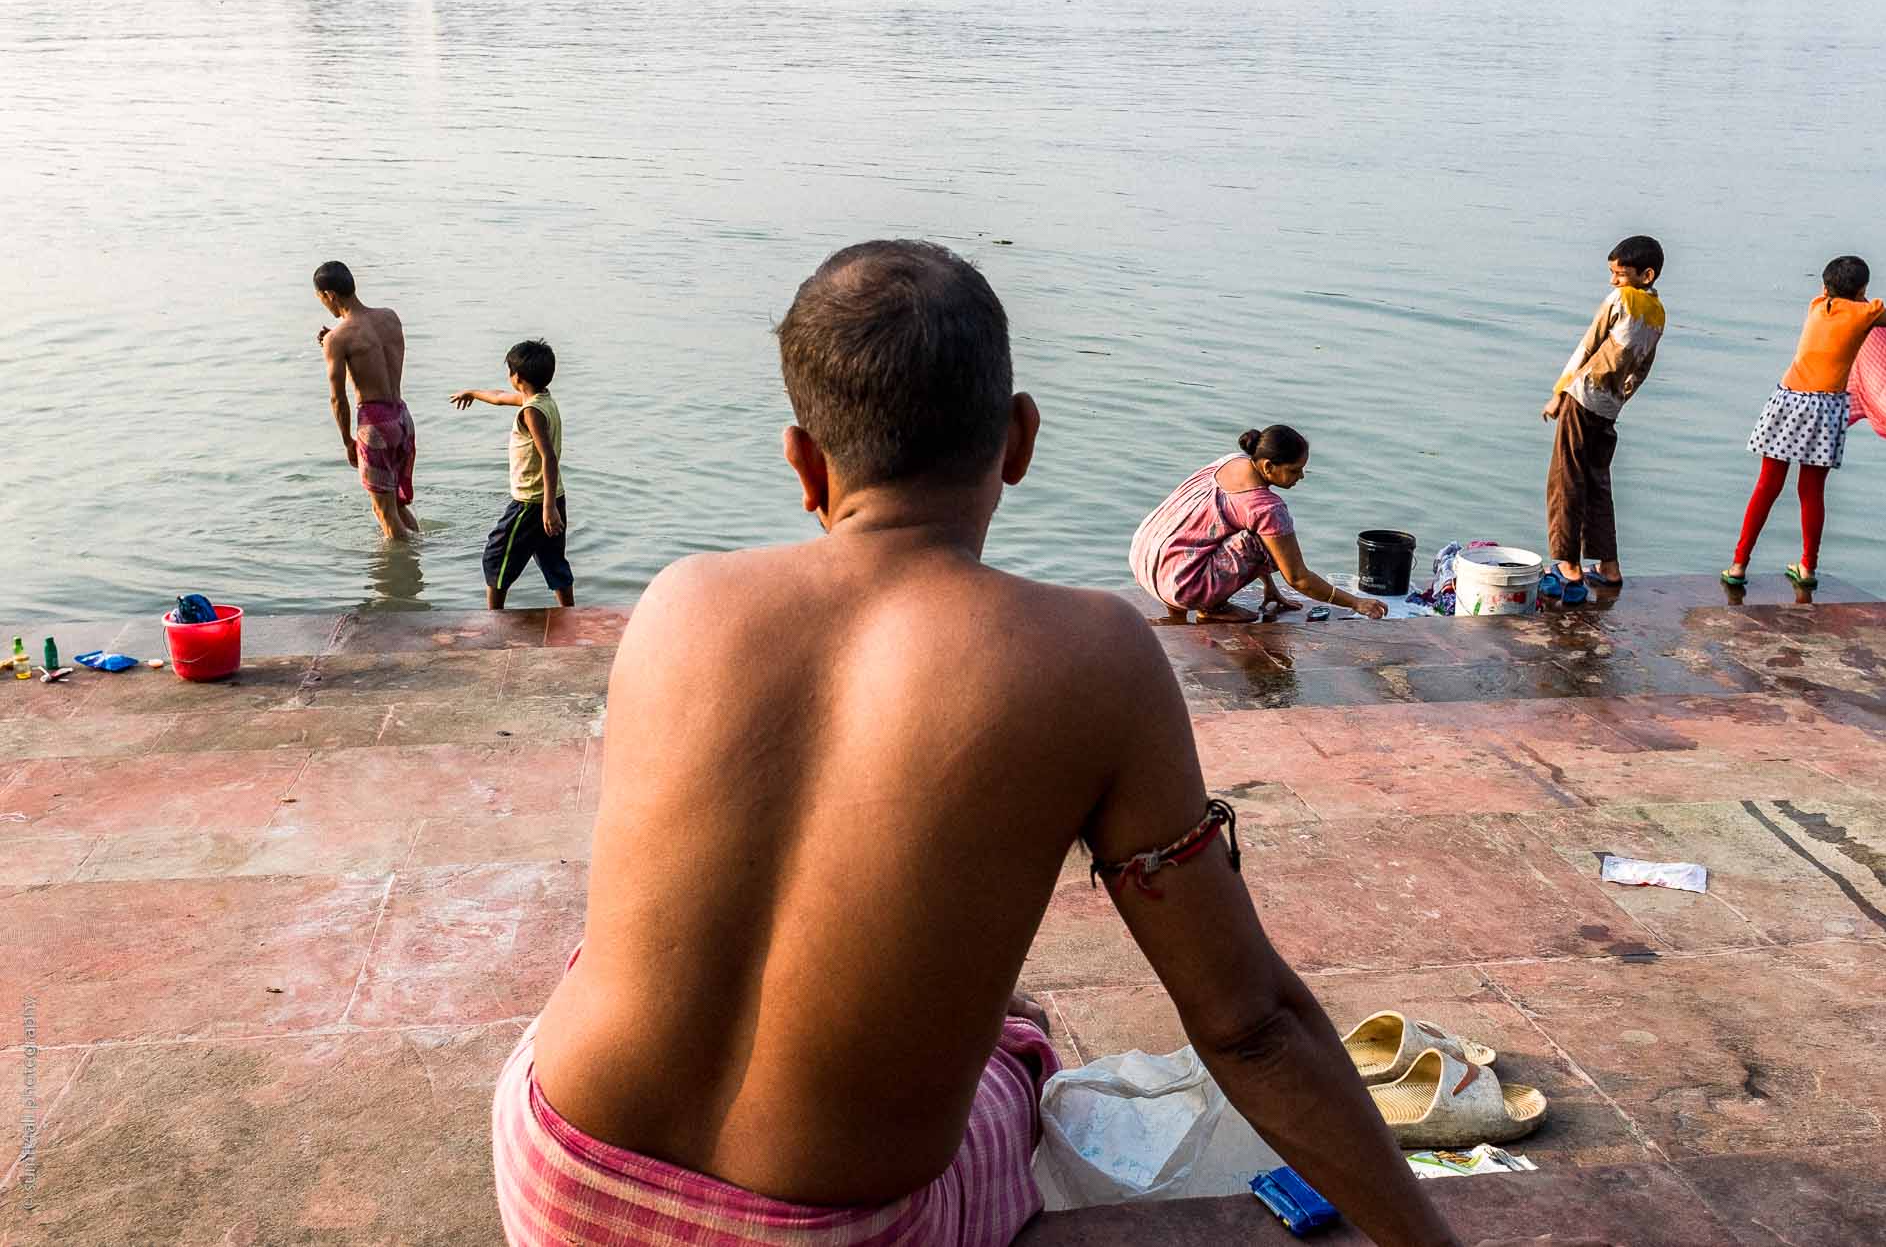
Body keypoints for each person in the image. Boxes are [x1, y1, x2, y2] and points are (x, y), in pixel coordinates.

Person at [490, 241, 1578, 1247]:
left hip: (559, 1173)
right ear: (1017, 439)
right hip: (827, 1231)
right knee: (1014, 1049)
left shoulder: (681, 600)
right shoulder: (1091, 655)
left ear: (802, 463)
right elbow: (1246, 1026)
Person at [1723, 260, 1886, 590]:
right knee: (1811, 491)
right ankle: (1808, 567)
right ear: (1862, 293)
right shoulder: (1866, 313)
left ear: (1824, 289)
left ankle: (1739, 565)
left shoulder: (1815, 306)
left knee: (1767, 486)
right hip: (1824, 408)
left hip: (1786, 400)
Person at [1129, 425, 1388, 623]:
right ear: (1268, 466)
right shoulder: (1267, 507)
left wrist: (1270, 587)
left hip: (1145, 561)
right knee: (1276, 537)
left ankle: (1181, 606)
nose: (1301, 477)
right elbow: (1298, 578)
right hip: (1182, 585)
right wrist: (1356, 603)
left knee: (1263, 533)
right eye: (1295, 470)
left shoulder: (1230, 461)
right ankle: (1210, 607)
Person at [1538, 235, 1667, 605]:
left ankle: (1568, 566)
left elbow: (1588, 346)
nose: (1613, 281)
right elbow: (1642, 368)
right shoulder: (1658, 314)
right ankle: (1609, 567)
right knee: (1598, 482)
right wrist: (1620, 399)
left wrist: (1559, 392)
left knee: (1566, 479)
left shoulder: (1620, 300)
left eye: (1619, 274)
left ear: (1646, 275)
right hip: (1609, 405)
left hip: (1583, 397)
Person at [450, 340, 574, 610]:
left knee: (495, 556)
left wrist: (548, 507)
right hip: (552, 497)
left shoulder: (531, 412)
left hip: (531, 502)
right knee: (553, 560)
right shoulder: (540, 399)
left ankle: (494, 617)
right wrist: (472, 392)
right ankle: (569, 613)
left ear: (517, 377)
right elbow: (498, 396)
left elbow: (548, 457)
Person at [315, 261, 418, 540]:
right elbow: (372, 358)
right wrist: (335, 342)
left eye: (322, 300)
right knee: (395, 504)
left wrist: (347, 440)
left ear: (330, 295)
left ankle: (405, 572)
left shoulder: (338, 339)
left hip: (375, 425)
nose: (326, 306)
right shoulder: (390, 317)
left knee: (383, 513)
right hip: (402, 418)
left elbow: (338, 399)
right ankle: (420, 554)